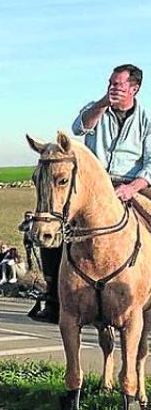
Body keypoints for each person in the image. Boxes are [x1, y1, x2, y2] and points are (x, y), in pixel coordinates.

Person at [29, 63, 151, 323]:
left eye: (118, 84)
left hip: (131, 183)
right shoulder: (98, 109)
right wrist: (102, 103)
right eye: (110, 83)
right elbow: (79, 128)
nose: (112, 88)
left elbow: (150, 162)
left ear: (134, 88)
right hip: (94, 185)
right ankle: (54, 297)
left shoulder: (146, 120)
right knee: (54, 222)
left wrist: (132, 188)